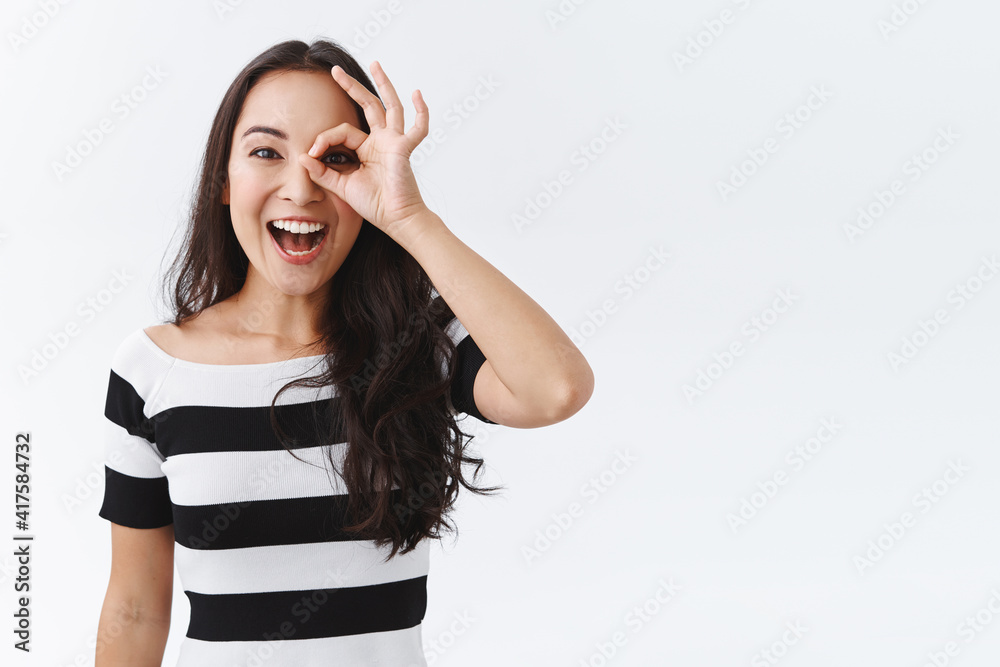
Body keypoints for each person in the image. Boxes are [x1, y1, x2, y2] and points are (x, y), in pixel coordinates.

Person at [94, 37, 594, 666]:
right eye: (266, 151)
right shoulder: (151, 371)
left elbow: (556, 389)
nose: (301, 189)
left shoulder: (420, 345)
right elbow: (136, 608)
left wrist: (410, 217)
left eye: (332, 157)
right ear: (223, 180)